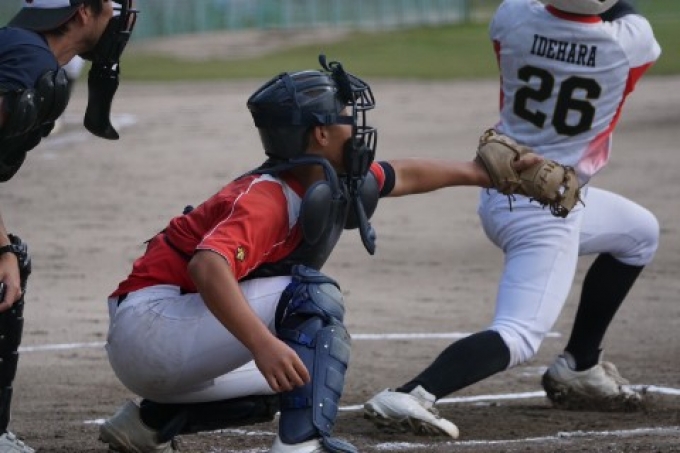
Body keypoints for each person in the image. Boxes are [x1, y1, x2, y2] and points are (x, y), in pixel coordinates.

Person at [97, 55, 543, 453]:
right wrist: (262, 345)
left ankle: (147, 424)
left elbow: (402, 174)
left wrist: (480, 173)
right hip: (152, 328)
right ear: (321, 133)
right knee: (311, 297)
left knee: (302, 376)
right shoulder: (267, 197)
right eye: (347, 117)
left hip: (165, 337)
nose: (358, 128)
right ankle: (301, 446)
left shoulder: (319, 178)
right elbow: (207, 267)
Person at [363, 0, 662, 439]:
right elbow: (621, 12)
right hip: (546, 211)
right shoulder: (629, 43)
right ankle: (412, 394)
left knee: (639, 233)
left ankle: (580, 365)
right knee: (520, 336)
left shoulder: (513, 17)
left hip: (500, 185)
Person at [0, 1, 138, 451]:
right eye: (111, 9)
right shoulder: (32, 65)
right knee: (4, 267)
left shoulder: (25, 51)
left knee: (9, 257)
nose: (120, 21)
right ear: (81, 13)